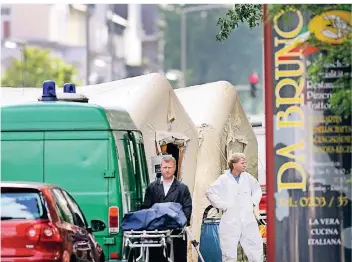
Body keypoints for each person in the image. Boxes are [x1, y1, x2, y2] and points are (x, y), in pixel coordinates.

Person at [206, 153, 263, 262]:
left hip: (248, 220)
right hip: (230, 221)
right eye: (242, 163)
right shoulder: (223, 179)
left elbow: (257, 190)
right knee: (229, 253)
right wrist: (223, 205)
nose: (245, 165)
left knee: (255, 249)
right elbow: (210, 192)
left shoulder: (248, 177)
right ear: (234, 164)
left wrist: (252, 203)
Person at [142, 155, 192, 262]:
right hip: (156, 232)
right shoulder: (152, 188)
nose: (167, 170)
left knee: (178, 258)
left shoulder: (183, 188)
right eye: (165, 167)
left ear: (175, 168)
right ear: (160, 167)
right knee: (156, 258)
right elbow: (146, 207)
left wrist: (179, 223)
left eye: (170, 167)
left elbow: (187, 208)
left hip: (177, 233)